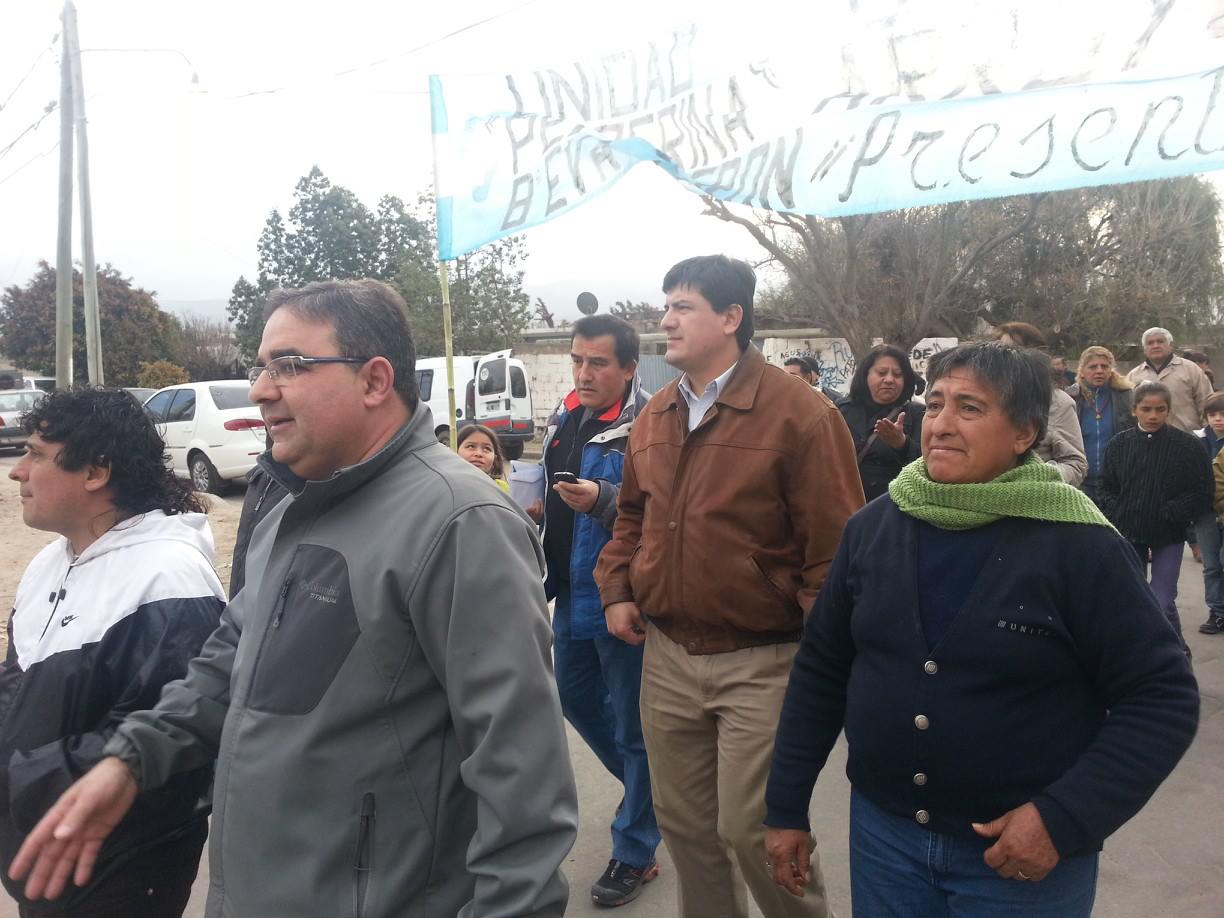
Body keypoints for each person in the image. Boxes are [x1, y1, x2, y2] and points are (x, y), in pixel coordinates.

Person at [10, 280, 578, 918]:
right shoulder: (291, 506)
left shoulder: (460, 520)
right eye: (259, 367)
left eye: (289, 365)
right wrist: (130, 761)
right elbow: (226, 665)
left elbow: (520, 772)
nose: (259, 389)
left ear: (374, 380)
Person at [764, 343, 1199, 918]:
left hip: (1017, 862)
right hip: (885, 843)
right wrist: (786, 806)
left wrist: (1064, 818)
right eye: (935, 404)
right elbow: (822, 669)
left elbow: (1162, 696)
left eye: (969, 408)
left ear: (1025, 433)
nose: (941, 424)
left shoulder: (1080, 546)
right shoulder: (873, 528)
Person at [595, 255, 864, 918]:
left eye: (682, 306)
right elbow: (632, 516)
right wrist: (618, 588)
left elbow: (835, 553)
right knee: (686, 828)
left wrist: (827, 661)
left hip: (763, 660)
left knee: (755, 831)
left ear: (731, 317)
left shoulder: (802, 415)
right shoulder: (658, 413)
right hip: (667, 655)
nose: (666, 321)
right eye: (666, 306)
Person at [0, 388, 226, 917]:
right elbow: (18, 684)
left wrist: (15, 776)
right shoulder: (52, 562)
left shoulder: (167, 580)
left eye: (35, 454)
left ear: (96, 471)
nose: (17, 472)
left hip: (113, 869)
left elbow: (167, 743)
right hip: (43, 849)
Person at [526, 314, 661, 907]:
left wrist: (603, 500)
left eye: (598, 363)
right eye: (578, 361)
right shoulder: (566, 420)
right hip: (569, 593)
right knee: (575, 698)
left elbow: (664, 516)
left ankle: (635, 847)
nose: (584, 373)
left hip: (619, 598)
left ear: (629, 368)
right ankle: (653, 796)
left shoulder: (650, 428)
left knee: (633, 727)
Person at [1098, 381, 1213, 654]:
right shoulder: (1119, 444)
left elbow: (1202, 490)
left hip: (1168, 534)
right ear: (1134, 409)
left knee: (1162, 599)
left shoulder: (1187, 446)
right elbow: (1106, 487)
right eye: (1146, 409)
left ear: (1168, 410)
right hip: (1129, 532)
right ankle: (1159, 652)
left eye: (1160, 409)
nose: (1153, 416)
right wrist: (1119, 511)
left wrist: (1172, 512)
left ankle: (1171, 652)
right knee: (1133, 597)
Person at [994, 322, 1087, 486]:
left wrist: (1038, 478)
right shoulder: (980, 396)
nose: (1006, 358)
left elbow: (1075, 464)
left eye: (1015, 350)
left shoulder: (1058, 403)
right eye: (1000, 350)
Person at [836, 344, 924, 501]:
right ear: (866, 375)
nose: (889, 380)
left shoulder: (918, 414)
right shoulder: (841, 410)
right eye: (882, 373)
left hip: (891, 506)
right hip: (845, 502)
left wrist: (902, 444)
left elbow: (928, 466)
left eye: (897, 375)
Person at [1068, 346, 1136, 504]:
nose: (1099, 371)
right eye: (1092, 367)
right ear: (1082, 372)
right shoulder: (1071, 399)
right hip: (1081, 484)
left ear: (1111, 370)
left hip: (1116, 483)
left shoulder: (1127, 397)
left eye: (1104, 366)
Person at [1126, 327, 1214, 432]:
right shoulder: (1134, 376)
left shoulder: (1191, 370)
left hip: (1187, 437)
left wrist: (1209, 435)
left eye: (1160, 341)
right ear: (1144, 349)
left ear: (1170, 345)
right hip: (1147, 439)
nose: (1155, 346)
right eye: (1150, 343)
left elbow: (1207, 404)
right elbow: (1127, 412)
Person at [1194, 391, 1224, 634]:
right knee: (1211, 565)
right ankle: (1217, 612)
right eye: (1213, 414)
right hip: (1205, 512)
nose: (1218, 419)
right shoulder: (1197, 440)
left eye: (1223, 414)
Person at [456, 422, 510, 492]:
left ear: (495, 459)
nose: (479, 454)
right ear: (455, 451)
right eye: (471, 446)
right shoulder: (446, 486)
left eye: (487, 449)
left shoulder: (501, 489)